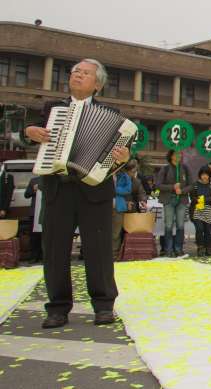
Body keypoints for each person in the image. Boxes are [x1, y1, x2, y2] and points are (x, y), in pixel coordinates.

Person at [24, 58, 129, 328]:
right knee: (55, 248)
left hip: (95, 188)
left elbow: (120, 157)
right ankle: (57, 308)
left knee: (99, 249)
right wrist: (30, 132)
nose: (77, 76)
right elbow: (30, 131)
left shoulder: (112, 114)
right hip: (58, 186)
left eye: (84, 73)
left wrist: (123, 156)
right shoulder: (52, 109)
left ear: (98, 84)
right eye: (75, 72)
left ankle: (104, 305)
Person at [155, 150, 190, 257]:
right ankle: (168, 249)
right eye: (176, 154)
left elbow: (192, 184)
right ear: (171, 156)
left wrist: (182, 191)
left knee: (180, 225)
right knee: (169, 225)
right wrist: (172, 187)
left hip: (182, 200)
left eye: (180, 154)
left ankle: (178, 249)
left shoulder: (185, 168)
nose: (179, 155)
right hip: (168, 200)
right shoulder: (165, 169)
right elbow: (158, 184)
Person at [190, 166, 211, 257]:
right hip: (197, 210)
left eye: (206, 175)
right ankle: (200, 247)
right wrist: (197, 200)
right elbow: (192, 196)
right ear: (200, 175)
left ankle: (207, 247)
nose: (205, 176)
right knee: (200, 228)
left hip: (208, 210)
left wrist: (201, 199)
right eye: (203, 174)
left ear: (209, 175)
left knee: (207, 230)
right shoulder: (195, 184)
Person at [24, 175, 43, 262]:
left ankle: (44, 256)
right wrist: (33, 190)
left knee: (45, 235)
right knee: (34, 236)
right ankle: (34, 256)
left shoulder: (50, 180)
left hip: (45, 212)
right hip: (34, 212)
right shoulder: (33, 180)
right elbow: (26, 194)